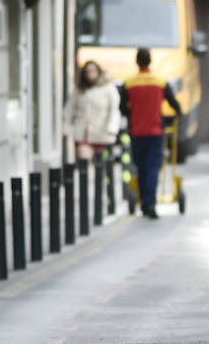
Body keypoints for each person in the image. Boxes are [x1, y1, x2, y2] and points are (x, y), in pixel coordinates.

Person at [118, 48, 181, 219]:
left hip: (137, 131)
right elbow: (174, 104)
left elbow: (122, 107)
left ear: (137, 62)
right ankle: (150, 202)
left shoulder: (129, 82)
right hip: (155, 130)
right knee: (153, 166)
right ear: (150, 61)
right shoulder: (160, 81)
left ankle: (145, 202)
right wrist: (176, 113)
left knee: (140, 166)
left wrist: (132, 112)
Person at [64, 60, 120, 161]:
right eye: (88, 71)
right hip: (84, 134)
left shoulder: (108, 88)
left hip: (102, 134)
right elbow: (70, 109)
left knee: (101, 165)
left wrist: (111, 128)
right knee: (85, 164)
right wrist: (67, 126)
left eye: (93, 71)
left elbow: (114, 109)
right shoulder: (79, 90)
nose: (90, 74)